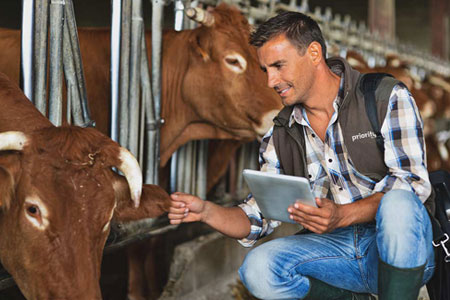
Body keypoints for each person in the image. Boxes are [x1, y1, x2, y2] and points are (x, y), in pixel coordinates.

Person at [168, 10, 435, 300]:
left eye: (279, 66)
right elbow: (257, 215)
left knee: (398, 203)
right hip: (336, 252)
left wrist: (342, 215)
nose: (271, 81)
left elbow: (412, 184)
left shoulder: (384, 97)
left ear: (314, 53)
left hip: (400, 248)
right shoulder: (281, 132)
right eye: (265, 70)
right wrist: (206, 211)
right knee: (257, 268)